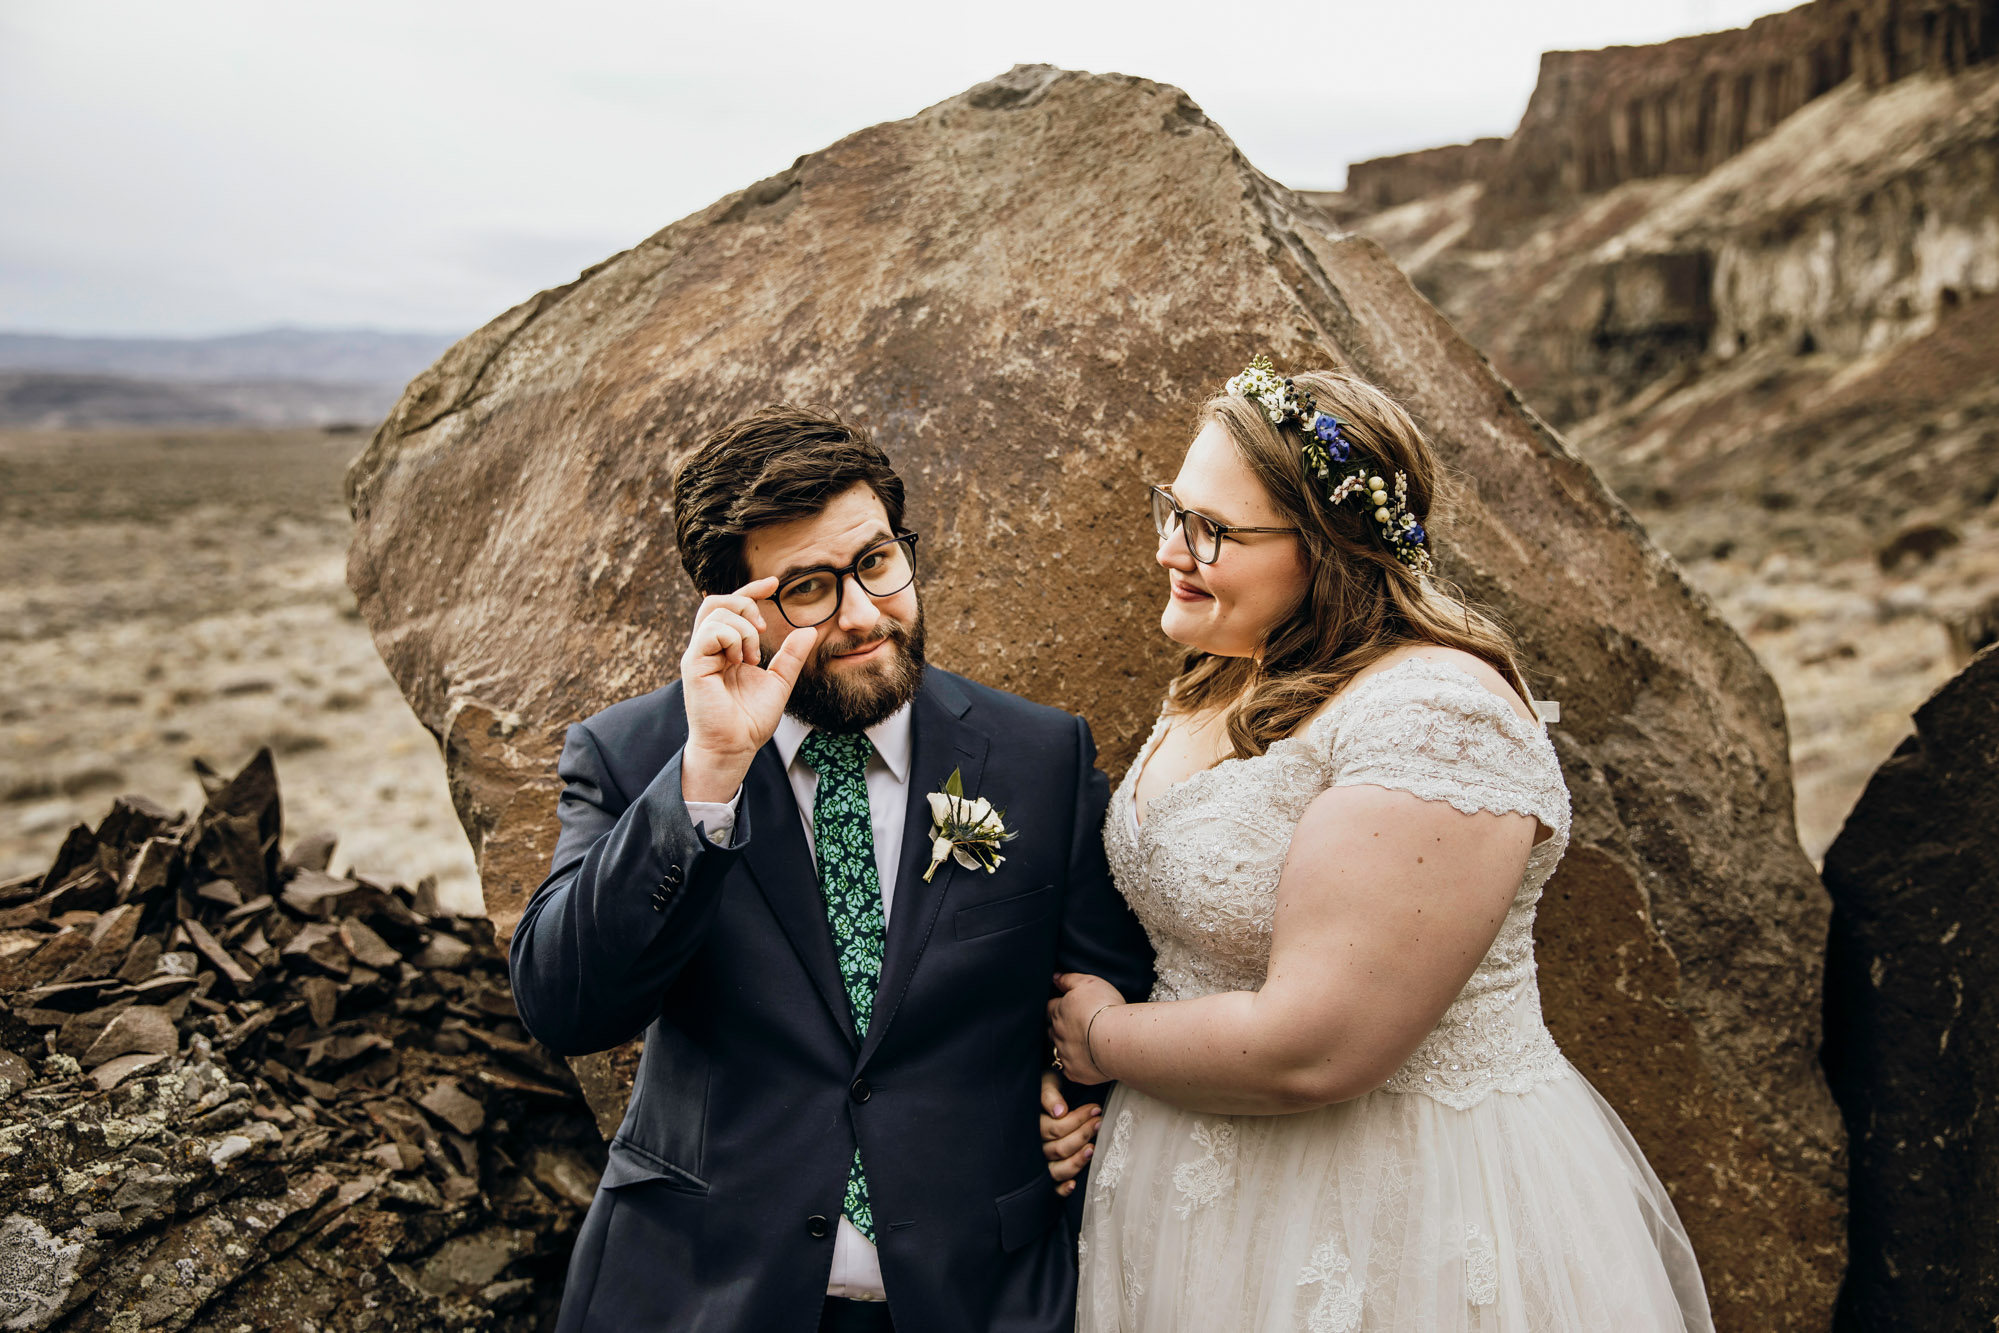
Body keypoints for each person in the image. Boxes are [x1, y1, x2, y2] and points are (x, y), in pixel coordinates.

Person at [1045, 360, 1714, 1332]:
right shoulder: (1228, 668)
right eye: (1172, 510)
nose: (1169, 549)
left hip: (1390, 1207)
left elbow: (1319, 1047)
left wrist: (1101, 1039)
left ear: (1328, 549)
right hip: (1188, 1188)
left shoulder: (1438, 718)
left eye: (1212, 531)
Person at [509, 405, 1153, 1333]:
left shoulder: (1039, 754)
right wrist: (709, 777)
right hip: (696, 1291)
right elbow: (565, 1006)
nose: (861, 615)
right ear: (735, 608)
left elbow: (1109, 981)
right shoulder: (632, 754)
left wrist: (1063, 1094)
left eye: (876, 563)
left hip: (982, 1296)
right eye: (808, 587)